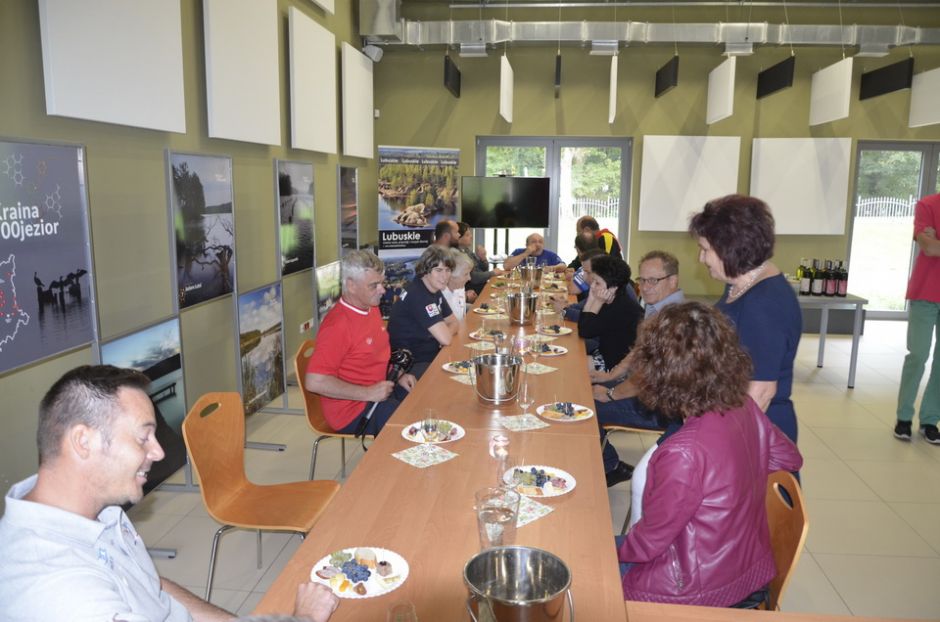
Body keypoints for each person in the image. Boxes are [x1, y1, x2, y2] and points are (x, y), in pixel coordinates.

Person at [0, 365, 339, 622]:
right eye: (143, 437)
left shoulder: (96, 510)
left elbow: (151, 587)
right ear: (83, 442)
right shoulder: (62, 593)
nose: (159, 452)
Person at [616, 302, 803, 606]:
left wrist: (608, 550)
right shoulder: (744, 405)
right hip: (748, 570)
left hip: (694, 587)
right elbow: (789, 459)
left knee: (583, 567)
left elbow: (648, 544)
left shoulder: (683, 452)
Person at [689, 195, 802, 444]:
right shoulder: (740, 284)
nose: (701, 258)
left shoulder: (764, 303)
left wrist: (714, 443)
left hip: (753, 433)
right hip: (728, 414)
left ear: (730, 247)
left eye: (705, 249)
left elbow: (760, 393)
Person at [591, 250, 686, 486]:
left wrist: (610, 394)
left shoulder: (672, 319)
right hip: (649, 390)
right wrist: (610, 375)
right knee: (586, 389)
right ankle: (606, 462)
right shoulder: (658, 308)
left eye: (653, 280)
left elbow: (647, 376)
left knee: (587, 409)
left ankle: (611, 466)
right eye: (642, 280)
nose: (645, 286)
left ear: (673, 280)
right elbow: (638, 351)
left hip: (662, 407)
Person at [305, 250, 417, 436]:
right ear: (351, 285)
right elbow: (314, 382)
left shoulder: (371, 307)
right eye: (374, 286)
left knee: (423, 401)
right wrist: (368, 393)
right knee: (410, 428)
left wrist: (396, 376)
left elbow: (373, 356)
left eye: (382, 283)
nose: (382, 290)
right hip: (352, 411)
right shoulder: (337, 326)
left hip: (378, 390)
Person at [894, 192, 940, 444]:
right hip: (925, 292)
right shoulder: (927, 205)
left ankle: (930, 419)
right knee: (918, 355)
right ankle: (903, 417)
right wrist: (931, 242)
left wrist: (936, 241)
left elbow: (935, 246)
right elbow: (929, 248)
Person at [387, 245, 459, 378]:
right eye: (438, 270)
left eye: (448, 270)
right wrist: (443, 336)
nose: (444, 276)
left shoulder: (432, 288)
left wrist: (444, 334)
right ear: (425, 270)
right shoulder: (419, 295)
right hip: (411, 364)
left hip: (427, 354)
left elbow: (454, 322)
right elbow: (446, 339)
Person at [457, 221, 504, 297]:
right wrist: (493, 273)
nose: (471, 237)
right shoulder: (457, 254)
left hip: (482, 287)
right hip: (473, 292)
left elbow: (483, 269)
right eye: (467, 235)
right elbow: (473, 278)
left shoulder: (467, 250)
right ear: (458, 238)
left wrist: (483, 258)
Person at [502, 233, 567, 272]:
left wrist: (553, 268)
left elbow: (563, 266)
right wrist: (526, 253)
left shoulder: (550, 255)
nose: (537, 244)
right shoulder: (518, 251)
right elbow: (506, 266)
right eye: (533, 242)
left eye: (540, 242)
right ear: (527, 245)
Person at [442, 248, 474, 321]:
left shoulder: (460, 288)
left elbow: (461, 310)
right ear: (451, 275)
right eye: (466, 274)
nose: (469, 278)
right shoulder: (440, 295)